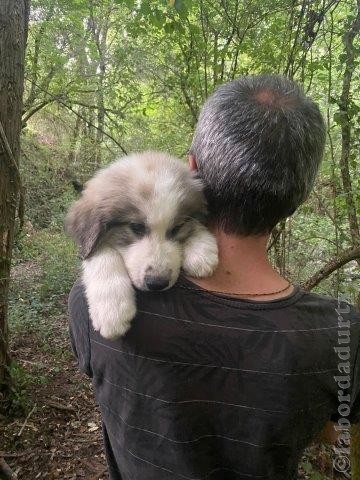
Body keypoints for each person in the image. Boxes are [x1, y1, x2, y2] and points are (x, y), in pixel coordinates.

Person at [68, 75, 360, 480]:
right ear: (301, 195)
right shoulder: (343, 332)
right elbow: (336, 433)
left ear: (191, 168)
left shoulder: (93, 302)